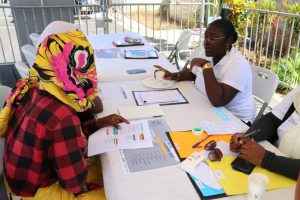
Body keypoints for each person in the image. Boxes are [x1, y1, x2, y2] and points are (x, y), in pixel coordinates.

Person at [0, 26, 128, 199]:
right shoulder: (62, 116)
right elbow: (74, 183)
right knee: (112, 187)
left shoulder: (31, 87)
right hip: (36, 191)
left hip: (20, 179)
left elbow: (54, 137)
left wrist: (96, 124)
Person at [154, 19, 256, 123]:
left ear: (229, 40)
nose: (207, 42)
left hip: (234, 118)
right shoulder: (207, 51)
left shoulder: (238, 64)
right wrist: (173, 76)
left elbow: (218, 100)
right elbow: (194, 74)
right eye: (206, 37)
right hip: (207, 105)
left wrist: (205, 65)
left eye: (213, 37)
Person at [230, 86, 300, 180]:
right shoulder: (298, 92)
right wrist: (248, 136)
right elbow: (272, 120)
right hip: (275, 158)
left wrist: (266, 159)